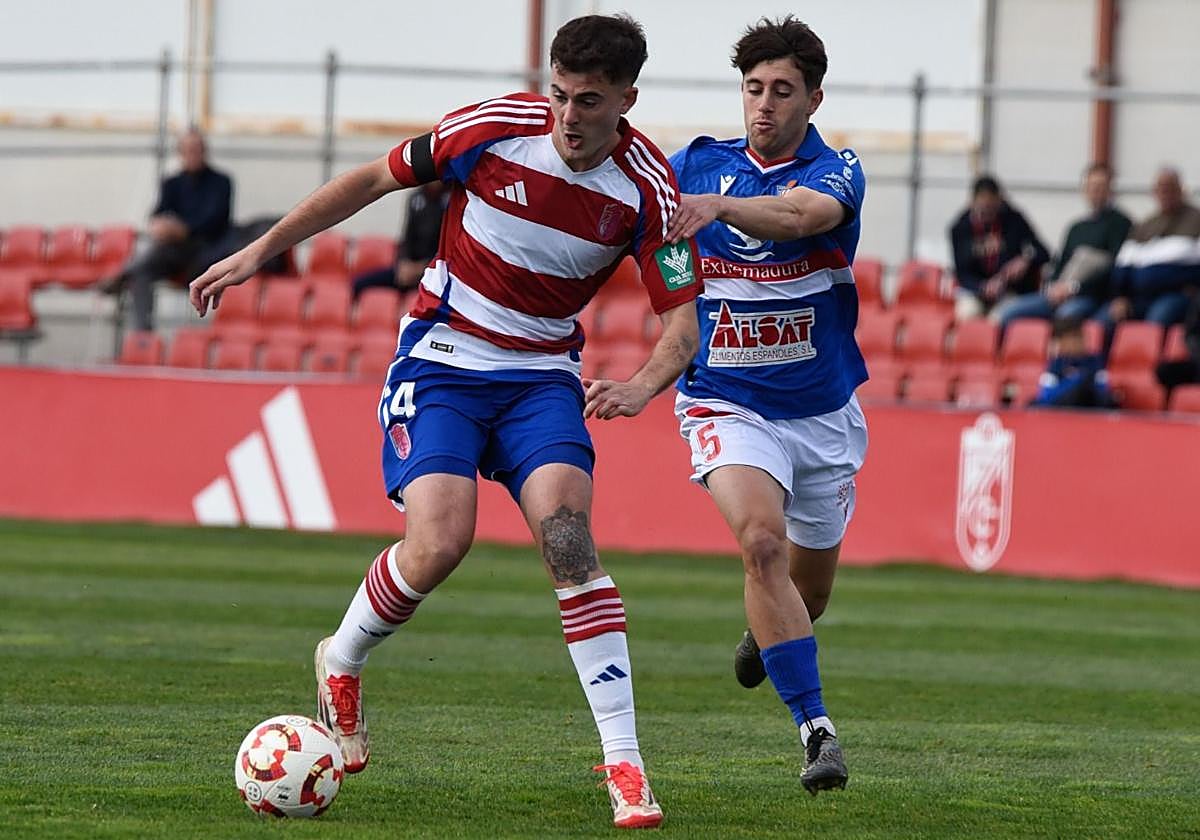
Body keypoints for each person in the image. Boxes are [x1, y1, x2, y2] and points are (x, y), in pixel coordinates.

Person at [190, 14, 699, 830]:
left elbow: (682, 322)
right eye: (561, 94)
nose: (569, 115)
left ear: (627, 100)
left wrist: (643, 384)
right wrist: (263, 250)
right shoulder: (492, 130)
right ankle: (343, 658)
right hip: (442, 363)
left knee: (569, 541)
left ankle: (626, 767)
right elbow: (369, 181)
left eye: (590, 101)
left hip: (540, 380)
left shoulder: (650, 189)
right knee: (439, 543)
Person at [662, 15, 865, 795]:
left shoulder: (837, 171)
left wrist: (717, 211)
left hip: (821, 415)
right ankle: (817, 731)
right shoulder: (697, 165)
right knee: (760, 544)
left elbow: (800, 217)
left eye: (783, 91)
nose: (765, 105)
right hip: (726, 401)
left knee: (805, 594)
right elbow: (639, 224)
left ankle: (767, 629)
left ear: (813, 98)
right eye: (754, 89)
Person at [102, 128, 233, 331]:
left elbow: (215, 221)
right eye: (188, 150)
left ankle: (122, 274)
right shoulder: (172, 183)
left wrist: (184, 230)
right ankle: (142, 335)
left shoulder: (221, 182)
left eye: (197, 149)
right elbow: (159, 212)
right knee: (142, 274)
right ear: (180, 153)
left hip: (205, 252)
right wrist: (160, 226)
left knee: (152, 255)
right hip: (173, 252)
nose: (193, 154)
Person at [997, 163, 1132, 328]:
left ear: (1110, 190)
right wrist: (1054, 286)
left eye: (1100, 187)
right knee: (1008, 313)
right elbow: (1060, 262)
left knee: (1065, 316)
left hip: (1091, 296)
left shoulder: (1121, 224)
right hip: (1058, 292)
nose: (1095, 192)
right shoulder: (1076, 228)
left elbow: (1114, 268)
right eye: (1091, 186)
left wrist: (1073, 288)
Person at [1098, 167, 1200, 331]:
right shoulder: (1144, 226)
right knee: (1102, 322)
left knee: (1156, 320)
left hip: (1176, 294)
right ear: (1154, 193)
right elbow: (1122, 265)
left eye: (1170, 188)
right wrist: (1120, 296)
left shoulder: (1195, 221)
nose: (1165, 193)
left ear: (1181, 190)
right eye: (1161, 189)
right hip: (1138, 297)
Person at [948, 175, 1050, 321]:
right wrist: (982, 287)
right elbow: (961, 272)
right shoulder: (960, 229)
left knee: (999, 319)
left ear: (999, 201)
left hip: (1008, 289)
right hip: (975, 289)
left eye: (991, 208)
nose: (986, 214)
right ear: (972, 202)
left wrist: (1025, 260)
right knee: (968, 315)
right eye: (982, 209)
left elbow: (1044, 252)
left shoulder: (1014, 221)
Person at [350, 180, 448, 300]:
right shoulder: (415, 198)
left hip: (435, 273)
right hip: (407, 269)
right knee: (359, 283)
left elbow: (449, 248)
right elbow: (407, 237)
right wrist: (403, 264)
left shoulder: (451, 201)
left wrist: (422, 268)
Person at [1028, 318, 1115, 409]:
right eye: (1073, 338)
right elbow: (1046, 398)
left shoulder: (1094, 362)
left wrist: (1082, 380)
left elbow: (1103, 393)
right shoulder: (1056, 365)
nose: (1079, 342)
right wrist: (1076, 379)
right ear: (1061, 342)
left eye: (1080, 336)